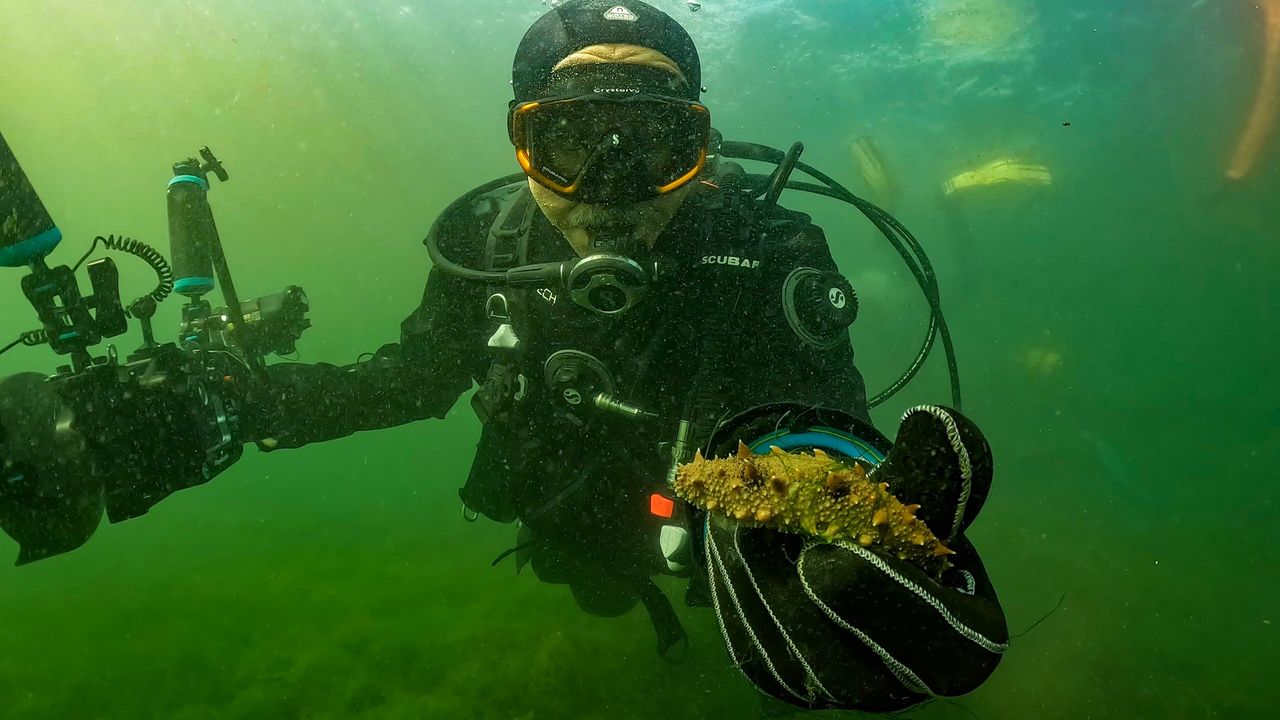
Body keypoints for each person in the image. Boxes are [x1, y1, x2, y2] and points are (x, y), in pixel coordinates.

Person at [0, 0, 1008, 712]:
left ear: (699, 155)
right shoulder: (482, 246)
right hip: (575, 519)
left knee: (758, 626)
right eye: (571, 141)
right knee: (594, 584)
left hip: (725, 532)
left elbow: (818, 411)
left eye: (653, 144)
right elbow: (405, 381)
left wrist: (846, 515)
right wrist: (225, 402)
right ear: (520, 144)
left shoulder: (769, 245)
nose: (611, 185)